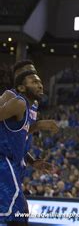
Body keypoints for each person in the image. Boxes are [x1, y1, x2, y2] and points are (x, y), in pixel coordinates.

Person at [0, 71, 44, 225]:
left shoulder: (31, 109)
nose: (39, 85)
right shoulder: (19, 103)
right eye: (34, 82)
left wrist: (32, 161)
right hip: (3, 161)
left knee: (21, 213)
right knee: (16, 212)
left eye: (40, 82)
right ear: (22, 87)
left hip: (12, 163)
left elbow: (17, 140)